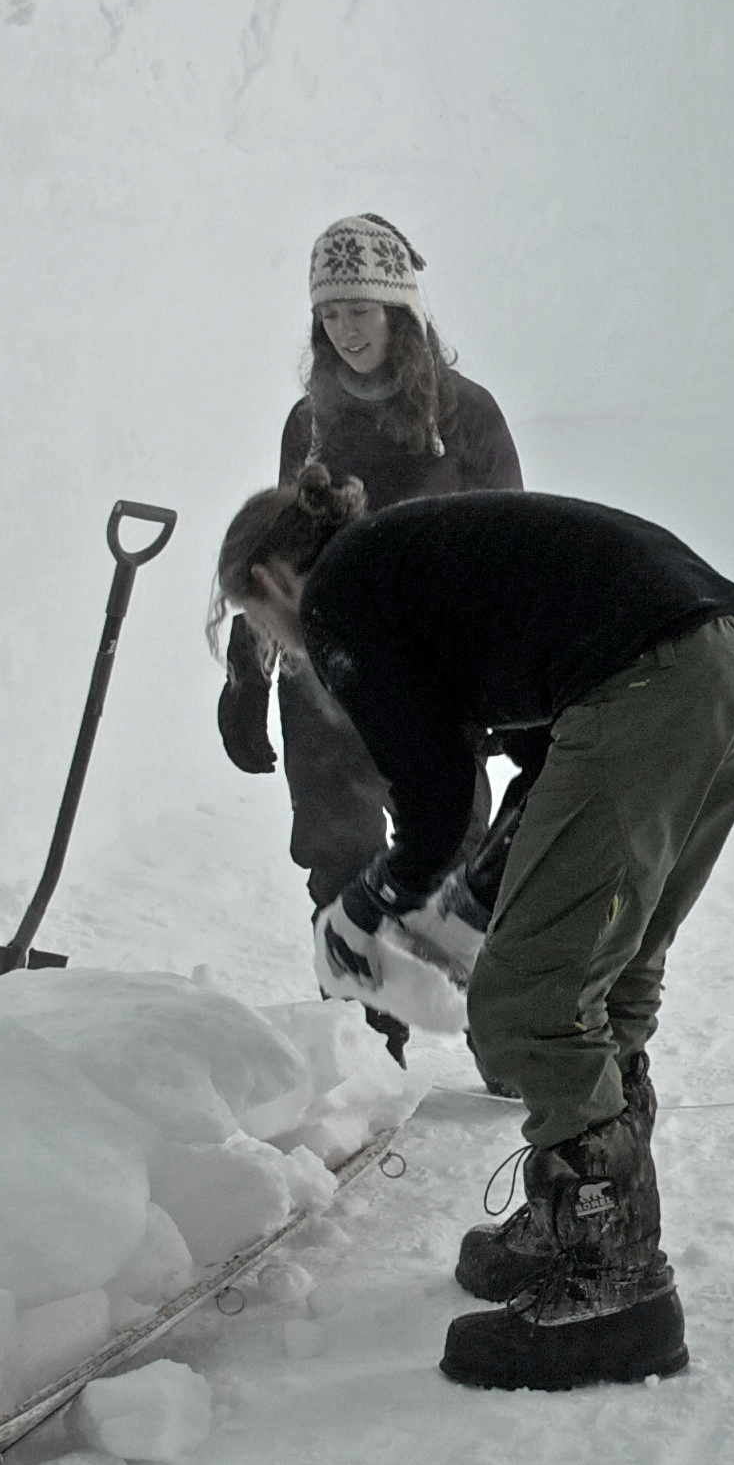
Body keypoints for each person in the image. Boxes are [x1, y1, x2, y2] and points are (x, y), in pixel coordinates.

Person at [214, 471, 734, 1390]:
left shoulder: (343, 594)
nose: (281, 650)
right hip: (731, 665)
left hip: (652, 680)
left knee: (530, 997)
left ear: (275, 580)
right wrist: (471, 892)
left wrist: (365, 904)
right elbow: (533, 755)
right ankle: (582, 1220)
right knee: (612, 970)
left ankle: (616, 1286)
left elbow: (437, 798)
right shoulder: (413, 561)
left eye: (260, 624)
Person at [213, 215, 525, 1055]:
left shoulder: (468, 419)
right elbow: (271, 558)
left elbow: (511, 557)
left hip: (434, 675)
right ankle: (360, 1047)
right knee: (338, 855)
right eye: (330, 315)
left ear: (402, 315)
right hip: (323, 678)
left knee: (461, 861)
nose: (346, 331)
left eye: (362, 310)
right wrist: (246, 675)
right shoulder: (307, 423)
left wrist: (506, 689)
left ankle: (502, 1036)